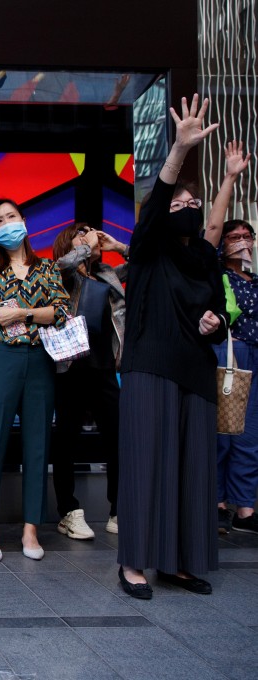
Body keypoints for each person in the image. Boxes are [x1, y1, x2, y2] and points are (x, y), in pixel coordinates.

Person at [117, 95, 226, 599]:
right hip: (151, 364)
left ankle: (182, 562)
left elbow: (221, 315)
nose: (184, 210)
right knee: (147, 464)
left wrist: (215, 322)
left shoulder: (205, 259)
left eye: (192, 204)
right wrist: (179, 150)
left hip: (196, 371)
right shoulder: (146, 248)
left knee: (192, 470)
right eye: (177, 205)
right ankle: (136, 563)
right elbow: (159, 201)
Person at [0, 135, 70, 562]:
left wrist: (20, 312)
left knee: (37, 444)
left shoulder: (46, 267)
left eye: (12, 216)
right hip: (0, 360)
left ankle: (30, 530)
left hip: (39, 360)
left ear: (24, 220)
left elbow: (59, 312)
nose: (7, 224)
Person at [50, 222, 128, 539]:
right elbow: (61, 264)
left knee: (117, 439)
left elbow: (148, 262)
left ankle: (119, 510)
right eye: (81, 232)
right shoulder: (63, 274)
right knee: (67, 440)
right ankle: (68, 511)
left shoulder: (108, 273)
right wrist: (84, 244)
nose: (91, 236)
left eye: (92, 231)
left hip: (105, 367)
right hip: (71, 367)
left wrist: (118, 246)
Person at [201, 140, 256, 535]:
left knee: (249, 433)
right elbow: (228, 313)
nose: (242, 242)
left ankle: (246, 508)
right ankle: (217, 500)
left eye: (247, 236)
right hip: (227, 354)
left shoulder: (256, 280)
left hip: (254, 354)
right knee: (224, 430)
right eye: (234, 237)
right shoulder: (219, 277)